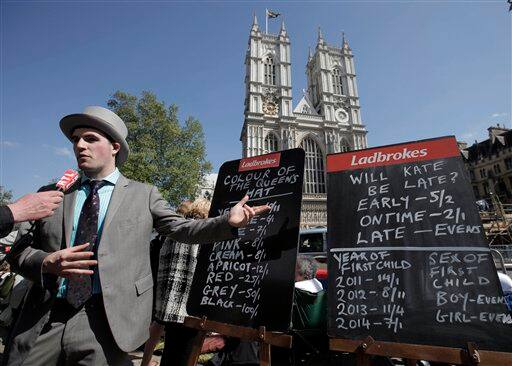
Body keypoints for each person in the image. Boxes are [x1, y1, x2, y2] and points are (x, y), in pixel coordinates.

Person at [3, 106, 269, 366]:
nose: (80, 146)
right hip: (45, 318)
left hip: (107, 323)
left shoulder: (144, 195)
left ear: (115, 147)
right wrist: (46, 262)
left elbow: (182, 229)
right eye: (76, 140)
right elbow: (18, 253)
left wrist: (227, 222)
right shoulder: (50, 195)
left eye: (90, 139)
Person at [141, 198, 223, 366]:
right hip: (189, 305)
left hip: (167, 302)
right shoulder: (203, 233)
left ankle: (145, 362)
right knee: (185, 352)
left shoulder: (176, 230)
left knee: (171, 349)